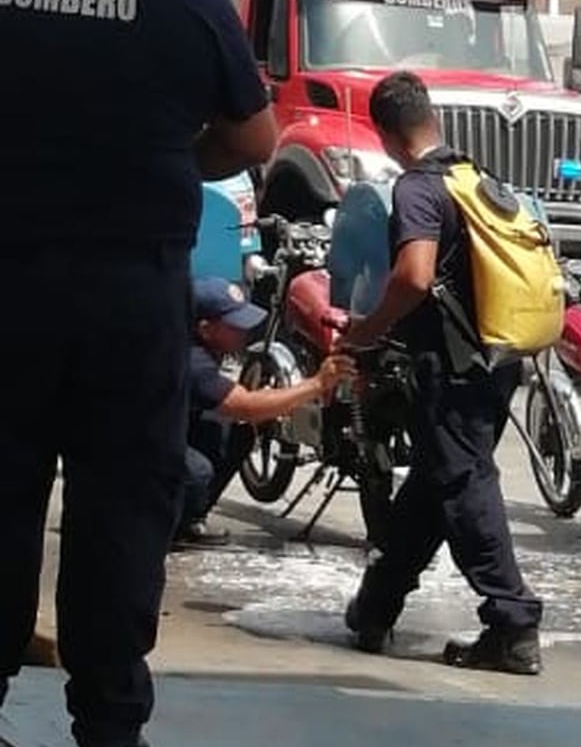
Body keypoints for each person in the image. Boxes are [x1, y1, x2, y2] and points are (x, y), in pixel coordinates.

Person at [0, 0, 278, 747]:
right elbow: (254, 143)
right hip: (131, 293)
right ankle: (109, 726)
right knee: (121, 507)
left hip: (9, 287)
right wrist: (168, 155)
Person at [338, 72, 543, 676]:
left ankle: (513, 624)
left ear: (383, 132)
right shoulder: (476, 178)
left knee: (463, 484)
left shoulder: (419, 190)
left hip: (451, 366)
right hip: (497, 357)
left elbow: (415, 276)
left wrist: (369, 328)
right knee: (433, 484)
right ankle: (375, 608)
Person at [177, 278, 356, 548]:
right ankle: (165, 528)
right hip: (129, 444)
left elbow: (241, 407)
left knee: (232, 432)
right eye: (234, 326)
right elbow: (246, 405)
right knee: (196, 472)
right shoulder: (191, 359)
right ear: (205, 329)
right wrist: (317, 384)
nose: (244, 332)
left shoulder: (206, 347)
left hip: (170, 426)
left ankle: (190, 519)